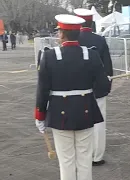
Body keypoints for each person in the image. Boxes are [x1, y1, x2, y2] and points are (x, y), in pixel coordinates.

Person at [34, 14, 111, 180]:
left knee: (66, 160)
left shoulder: (49, 56)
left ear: (61, 34)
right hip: (85, 111)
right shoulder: (92, 55)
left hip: (59, 113)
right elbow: (104, 85)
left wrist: (40, 115)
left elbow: (42, 89)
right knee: (84, 159)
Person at [74, 8, 113, 166]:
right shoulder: (100, 40)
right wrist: (106, 87)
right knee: (98, 123)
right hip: (98, 88)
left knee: (79, 122)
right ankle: (97, 156)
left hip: (76, 88)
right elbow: (108, 68)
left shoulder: (72, 39)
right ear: (92, 22)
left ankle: (82, 155)